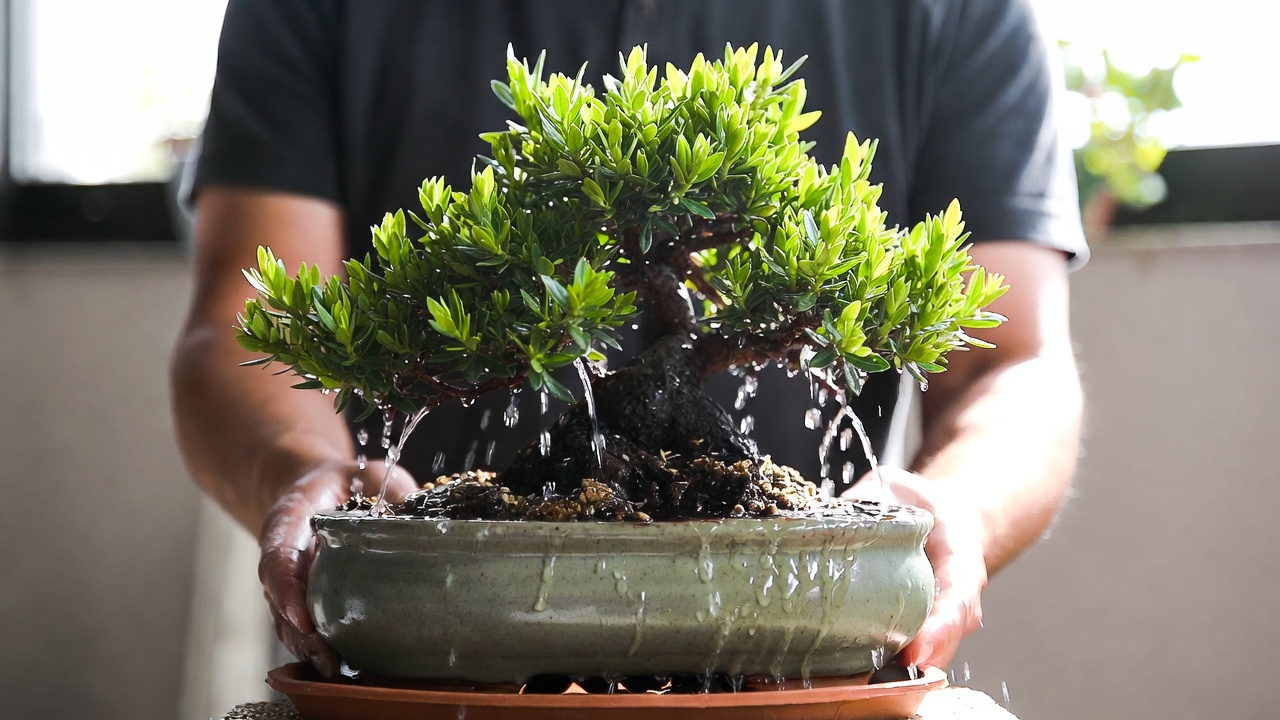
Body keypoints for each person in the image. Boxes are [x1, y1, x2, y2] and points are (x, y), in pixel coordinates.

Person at [171, 0, 1086, 680]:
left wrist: (957, 505)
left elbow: (1013, 360)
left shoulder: (955, 10)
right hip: (423, 674)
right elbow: (248, 321)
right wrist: (300, 471)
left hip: (797, 670)